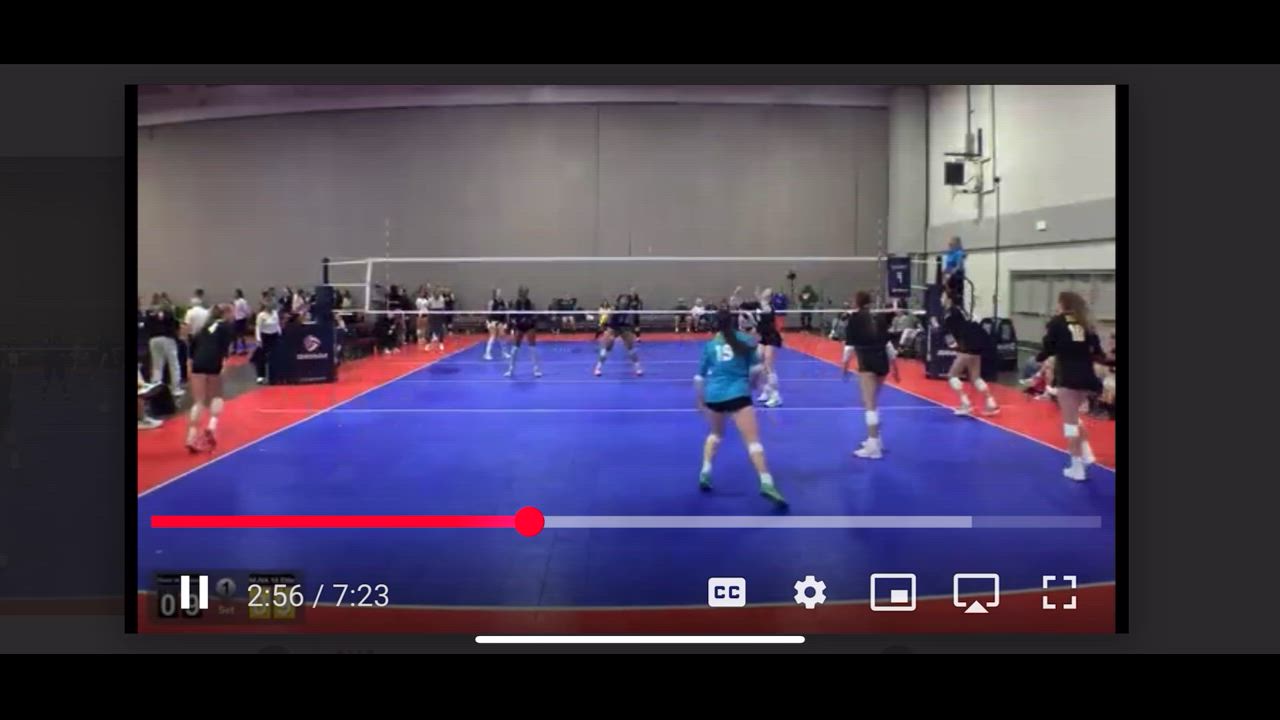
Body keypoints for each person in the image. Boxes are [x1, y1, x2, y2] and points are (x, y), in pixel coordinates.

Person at [694, 307, 786, 506]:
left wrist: (700, 399)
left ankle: (705, 472)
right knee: (753, 442)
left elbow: (699, 377)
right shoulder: (745, 340)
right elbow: (757, 369)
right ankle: (766, 482)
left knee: (715, 435)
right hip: (738, 394)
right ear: (735, 322)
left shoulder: (710, 346)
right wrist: (752, 385)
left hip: (714, 396)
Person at [1037, 291, 1105, 481]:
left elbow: (1048, 346)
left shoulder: (1057, 322)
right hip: (1087, 377)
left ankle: (1077, 467)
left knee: (1070, 425)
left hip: (1068, 376)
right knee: (1074, 417)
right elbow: (1098, 352)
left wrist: (1040, 357)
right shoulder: (1085, 323)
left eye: (1058, 303)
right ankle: (1086, 453)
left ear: (1063, 304)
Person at [841, 291, 900, 459]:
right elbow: (888, 345)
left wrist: (844, 365)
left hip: (867, 363)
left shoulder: (854, 319)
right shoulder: (879, 317)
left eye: (853, 300)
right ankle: (876, 439)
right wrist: (895, 368)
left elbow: (849, 347)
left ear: (857, 302)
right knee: (872, 401)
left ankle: (873, 447)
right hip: (882, 364)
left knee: (870, 404)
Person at [941, 291, 999, 417]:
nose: (941, 299)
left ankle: (965, 404)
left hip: (967, 345)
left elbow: (949, 335)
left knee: (952, 375)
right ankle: (991, 403)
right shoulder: (962, 310)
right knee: (975, 378)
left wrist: (956, 348)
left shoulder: (949, 314)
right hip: (978, 344)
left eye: (943, 296)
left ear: (949, 299)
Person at [185, 304, 234, 453]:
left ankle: (191, 437)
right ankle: (212, 426)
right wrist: (224, 364)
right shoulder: (226, 327)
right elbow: (226, 349)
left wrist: (189, 368)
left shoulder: (202, 328)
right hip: (214, 363)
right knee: (217, 396)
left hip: (198, 363)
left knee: (198, 401)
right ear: (225, 314)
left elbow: (191, 350)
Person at [594, 293, 643, 377]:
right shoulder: (614, 309)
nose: (624, 302)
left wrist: (631, 330)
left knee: (631, 348)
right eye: (622, 300)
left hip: (624, 328)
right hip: (613, 328)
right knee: (607, 348)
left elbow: (632, 322)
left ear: (628, 302)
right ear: (618, 301)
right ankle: (597, 368)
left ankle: (638, 368)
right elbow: (609, 321)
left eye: (626, 300)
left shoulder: (630, 311)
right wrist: (609, 332)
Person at [146, 294, 184, 397]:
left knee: (157, 365)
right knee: (173, 364)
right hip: (167, 338)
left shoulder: (150, 313)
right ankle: (175, 389)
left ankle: (155, 389)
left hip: (153, 339)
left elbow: (147, 326)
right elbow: (176, 325)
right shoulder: (169, 313)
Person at [752, 287, 784, 407]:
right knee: (760, 362)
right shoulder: (759, 305)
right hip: (763, 337)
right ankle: (767, 390)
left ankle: (776, 396)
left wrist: (758, 297)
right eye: (765, 290)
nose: (765, 292)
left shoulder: (769, 307)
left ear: (769, 297)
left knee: (768, 365)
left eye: (768, 292)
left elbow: (763, 308)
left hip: (771, 336)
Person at [506, 286, 542, 378]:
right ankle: (510, 370)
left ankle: (536, 370)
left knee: (532, 348)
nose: (524, 294)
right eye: (522, 293)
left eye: (525, 293)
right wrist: (513, 324)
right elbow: (512, 317)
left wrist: (530, 321)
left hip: (529, 326)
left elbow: (534, 316)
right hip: (519, 327)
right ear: (519, 293)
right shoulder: (515, 304)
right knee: (514, 349)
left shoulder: (530, 304)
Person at [253, 301, 281, 384]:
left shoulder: (275, 313)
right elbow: (258, 327)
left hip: (274, 336)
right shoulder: (261, 315)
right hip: (265, 336)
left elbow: (277, 324)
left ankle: (274, 375)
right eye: (269, 305)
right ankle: (261, 376)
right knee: (261, 357)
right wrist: (258, 339)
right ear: (266, 306)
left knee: (275, 356)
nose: (271, 307)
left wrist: (280, 333)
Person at [942, 236, 967, 307]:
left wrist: (951, 273)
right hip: (948, 275)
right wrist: (944, 273)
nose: (949, 245)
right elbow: (947, 266)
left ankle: (956, 307)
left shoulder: (959, 253)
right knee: (947, 293)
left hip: (956, 276)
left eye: (951, 243)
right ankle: (947, 308)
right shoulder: (949, 254)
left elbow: (959, 266)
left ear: (956, 244)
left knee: (954, 295)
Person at [484, 288, 508, 361]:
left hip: (500, 322)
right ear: (495, 294)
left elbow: (505, 314)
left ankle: (504, 353)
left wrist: (505, 323)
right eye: (498, 292)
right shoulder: (491, 302)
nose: (499, 294)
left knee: (502, 336)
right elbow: (489, 313)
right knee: (493, 336)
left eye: (500, 292)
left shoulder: (504, 302)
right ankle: (487, 354)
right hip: (492, 321)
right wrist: (489, 322)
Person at [231, 289, 252, 355]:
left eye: (236, 293)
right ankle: (234, 349)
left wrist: (247, 316)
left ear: (239, 294)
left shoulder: (242, 301)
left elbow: (246, 309)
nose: (234, 294)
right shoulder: (235, 301)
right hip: (236, 319)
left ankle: (245, 349)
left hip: (241, 319)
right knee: (234, 334)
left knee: (241, 335)